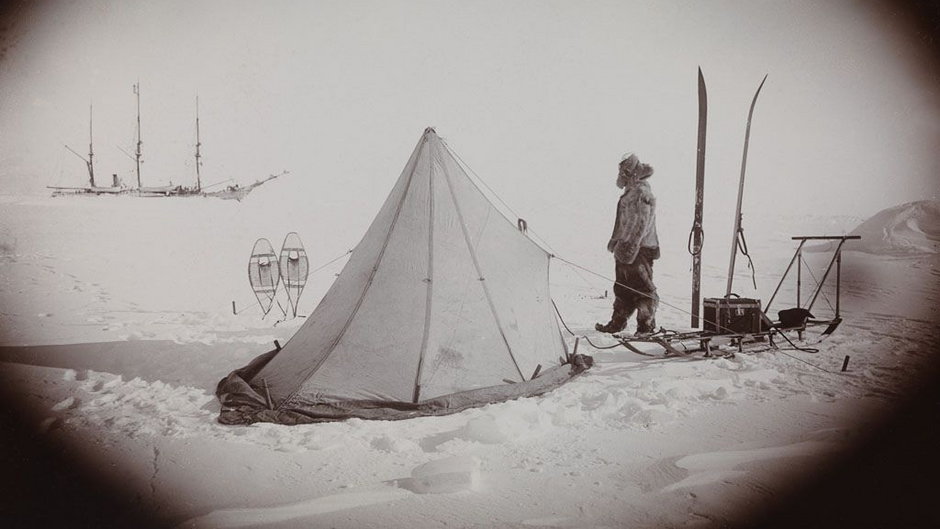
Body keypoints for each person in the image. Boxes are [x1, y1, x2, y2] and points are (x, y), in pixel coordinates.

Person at [595, 153, 660, 336]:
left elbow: (641, 224)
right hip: (625, 247)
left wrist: (630, 248)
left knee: (643, 289)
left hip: (639, 249)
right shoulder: (632, 191)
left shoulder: (641, 192)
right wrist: (618, 243)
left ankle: (645, 327)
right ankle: (617, 322)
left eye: (624, 172)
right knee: (623, 287)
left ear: (631, 173)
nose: (621, 175)